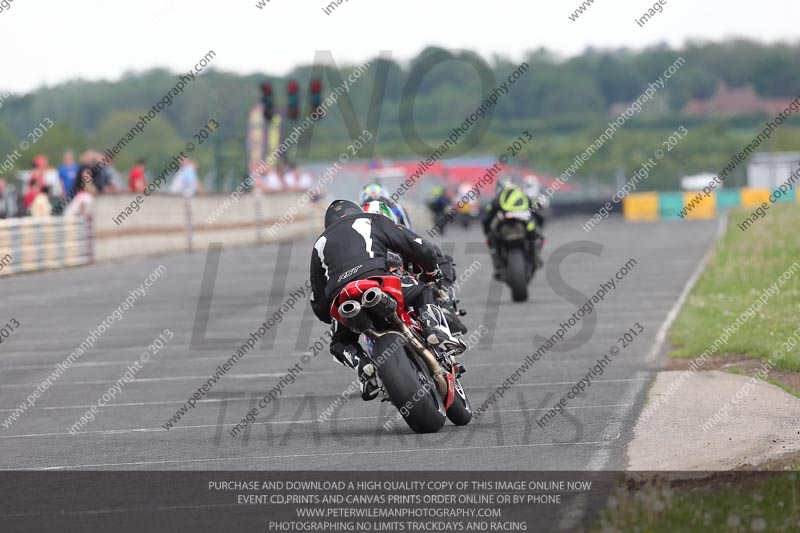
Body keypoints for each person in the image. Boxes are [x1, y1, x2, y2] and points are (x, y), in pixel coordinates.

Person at [309, 200, 464, 400]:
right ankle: (432, 328)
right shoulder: (371, 220)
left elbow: (318, 300)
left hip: (343, 297)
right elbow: (417, 245)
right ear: (356, 211)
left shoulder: (319, 244)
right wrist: (432, 271)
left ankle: (363, 365)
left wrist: (329, 315)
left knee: (339, 343)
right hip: (377, 281)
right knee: (421, 291)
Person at [483, 179, 544, 279]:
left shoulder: (498, 199)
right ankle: (535, 258)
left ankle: (498, 264)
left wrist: (486, 230)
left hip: (515, 229)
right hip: (521, 228)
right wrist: (539, 225)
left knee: (491, 238)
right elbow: (537, 215)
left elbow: (487, 218)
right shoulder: (524, 196)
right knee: (536, 235)